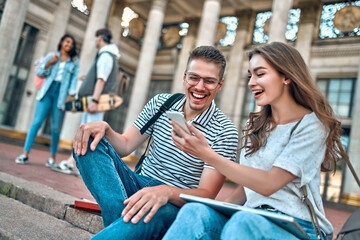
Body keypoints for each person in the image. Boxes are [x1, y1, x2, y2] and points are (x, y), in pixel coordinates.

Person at [163, 42, 348, 240]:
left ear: (286, 76)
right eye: (250, 75)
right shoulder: (259, 126)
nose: (251, 82)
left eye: (260, 74)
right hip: (250, 216)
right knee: (195, 213)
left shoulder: (312, 126)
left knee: (243, 223)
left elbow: (269, 183)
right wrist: (220, 208)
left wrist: (206, 154)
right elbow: (247, 187)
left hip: (299, 228)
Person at [73, 46, 239, 239]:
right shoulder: (161, 102)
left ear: (219, 85)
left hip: (175, 203)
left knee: (155, 213)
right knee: (89, 140)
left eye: (209, 81)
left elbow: (207, 194)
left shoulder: (225, 131)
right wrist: (106, 130)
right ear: (184, 78)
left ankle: (121, 226)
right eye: (194, 78)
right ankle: (122, 221)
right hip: (138, 185)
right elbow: (125, 145)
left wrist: (166, 192)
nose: (200, 87)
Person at [52, 28, 120, 175]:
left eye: (97, 38)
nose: (96, 41)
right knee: (87, 133)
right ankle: (74, 163)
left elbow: (101, 80)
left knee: (89, 134)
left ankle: (73, 164)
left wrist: (94, 100)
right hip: (95, 101)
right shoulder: (108, 55)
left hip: (95, 102)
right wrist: (86, 78)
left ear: (101, 38)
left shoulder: (106, 56)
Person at [15, 34, 79, 166]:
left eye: (71, 44)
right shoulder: (52, 56)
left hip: (61, 95)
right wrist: (49, 64)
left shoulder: (74, 62)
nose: (69, 45)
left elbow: (73, 81)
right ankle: (25, 154)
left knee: (55, 127)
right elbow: (39, 72)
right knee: (36, 122)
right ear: (61, 42)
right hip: (47, 92)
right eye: (67, 42)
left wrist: (71, 96)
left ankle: (52, 157)